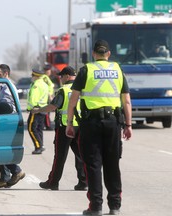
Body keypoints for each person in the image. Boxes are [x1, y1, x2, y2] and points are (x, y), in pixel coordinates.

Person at [65, 39, 132, 216]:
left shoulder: (86, 70)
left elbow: (73, 99)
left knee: (93, 165)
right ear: (108, 54)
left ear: (94, 54)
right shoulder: (118, 69)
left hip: (91, 124)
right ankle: (115, 206)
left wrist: (70, 123)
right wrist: (128, 125)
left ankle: (95, 207)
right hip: (113, 123)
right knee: (112, 164)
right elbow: (126, 100)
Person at [32, 66, 87, 191]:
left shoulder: (64, 90)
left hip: (64, 127)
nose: (60, 79)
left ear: (67, 76)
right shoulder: (83, 90)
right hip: (80, 127)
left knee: (60, 157)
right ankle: (83, 182)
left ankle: (53, 182)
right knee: (80, 155)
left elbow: (53, 106)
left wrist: (38, 110)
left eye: (61, 76)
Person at [0, 64, 25, 188]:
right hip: (4, 119)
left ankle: (16, 171)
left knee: (1, 150)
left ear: (6, 74)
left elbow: (8, 106)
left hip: (8, 121)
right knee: (0, 148)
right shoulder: (4, 86)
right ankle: (4, 178)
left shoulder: (9, 87)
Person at [27, 68, 49, 154]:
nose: (31, 77)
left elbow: (33, 98)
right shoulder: (44, 84)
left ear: (36, 76)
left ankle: (38, 146)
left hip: (36, 109)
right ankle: (41, 145)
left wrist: (31, 108)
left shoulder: (36, 85)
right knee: (39, 129)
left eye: (33, 75)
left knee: (31, 129)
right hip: (43, 109)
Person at [42, 63, 54, 131]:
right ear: (46, 71)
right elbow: (46, 88)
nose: (50, 72)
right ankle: (47, 125)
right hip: (46, 97)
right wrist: (50, 96)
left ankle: (46, 124)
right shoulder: (45, 78)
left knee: (47, 112)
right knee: (46, 112)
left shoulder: (46, 78)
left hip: (48, 97)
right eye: (49, 71)